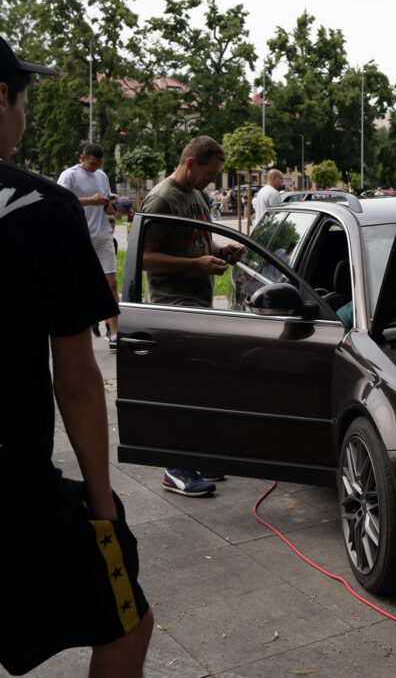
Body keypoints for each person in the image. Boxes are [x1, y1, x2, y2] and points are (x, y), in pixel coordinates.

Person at [0, 35, 153, 676]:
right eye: (25, 99)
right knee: (126, 621)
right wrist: (101, 499)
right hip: (11, 493)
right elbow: (79, 380)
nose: (24, 115)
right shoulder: (37, 208)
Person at [141, 135, 242, 496]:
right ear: (190, 164)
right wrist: (195, 263)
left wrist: (218, 249)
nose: (212, 182)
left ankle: (195, 457)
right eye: (210, 174)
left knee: (201, 388)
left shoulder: (196, 196)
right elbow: (142, 257)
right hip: (174, 305)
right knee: (183, 390)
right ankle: (175, 468)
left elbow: (197, 240)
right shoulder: (162, 198)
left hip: (198, 303)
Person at [58, 143, 120, 350]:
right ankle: (80, 328)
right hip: (79, 235)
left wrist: (114, 206)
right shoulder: (69, 175)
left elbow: (106, 204)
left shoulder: (102, 176)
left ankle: (114, 333)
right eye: (92, 164)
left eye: (99, 164)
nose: (95, 168)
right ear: (82, 158)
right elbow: (60, 201)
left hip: (102, 234)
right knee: (80, 284)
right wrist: (89, 201)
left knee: (111, 282)